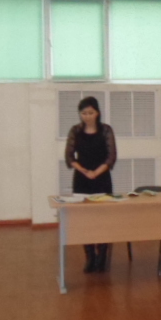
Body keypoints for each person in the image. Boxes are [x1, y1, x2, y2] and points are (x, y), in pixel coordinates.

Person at [64, 97, 117, 273]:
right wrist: (84, 171)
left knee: (102, 219)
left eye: (90, 113)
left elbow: (111, 156)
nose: (87, 116)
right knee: (84, 219)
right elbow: (69, 156)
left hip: (102, 179)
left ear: (98, 113)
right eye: (84, 113)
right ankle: (90, 257)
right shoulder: (75, 131)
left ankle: (102, 256)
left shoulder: (106, 130)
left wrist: (96, 172)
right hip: (82, 180)